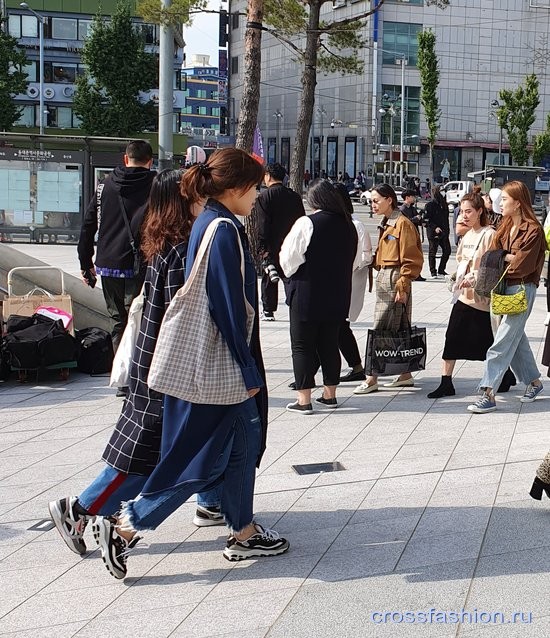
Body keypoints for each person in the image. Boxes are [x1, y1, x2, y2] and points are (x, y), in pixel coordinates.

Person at [92, 148, 289, 580]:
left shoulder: (208, 221)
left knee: (241, 446)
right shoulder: (222, 230)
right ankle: (128, 524)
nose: (258, 195)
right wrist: (249, 370)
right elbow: (226, 307)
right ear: (236, 188)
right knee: (201, 456)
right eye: (255, 187)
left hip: (220, 367)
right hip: (222, 369)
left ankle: (243, 531)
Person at [48, 170, 224, 556]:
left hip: (154, 359)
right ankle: (79, 509)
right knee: (140, 457)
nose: (207, 200)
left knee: (159, 449)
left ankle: (212, 502)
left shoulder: (165, 239)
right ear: (184, 200)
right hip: (165, 367)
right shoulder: (183, 249)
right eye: (199, 194)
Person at [78, 140, 155, 396]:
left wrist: (85, 263)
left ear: (125, 159)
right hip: (141, 263)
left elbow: (88, 225)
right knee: (143, 319)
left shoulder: (104, 186)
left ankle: (122, 379)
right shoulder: (155, 186)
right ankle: (140, 376)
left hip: (108, 264)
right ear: (150, 161)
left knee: (117, 321)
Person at [467, 180, 546, 414]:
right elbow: (492, 254)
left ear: (518, 203)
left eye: (505, 200)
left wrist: (505, 258)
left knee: (502, 340)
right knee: (515, 338)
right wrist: (506, 256)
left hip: (521, 289)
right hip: (501, 287)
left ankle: (488, 392)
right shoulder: (504, 225)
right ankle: (534, 382)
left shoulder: (533, 230)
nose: (500, 203)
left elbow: (522, 266)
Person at [280, 179, 358, 413]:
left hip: (307, 291)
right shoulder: (350, 225)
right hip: (338, 293)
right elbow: (352, 261)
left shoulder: (307, 223)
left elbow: (288, 259)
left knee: (302, 345)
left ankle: (304, 399)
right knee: (329, 343)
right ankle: (329, 395)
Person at [354, 184, 423, 395]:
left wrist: (403, 284)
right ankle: (405, 374)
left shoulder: (402, 224)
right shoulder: (388, 223)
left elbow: (411, 258)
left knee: (381, 327)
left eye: (376, 200)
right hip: (386, 275)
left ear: (389, 200)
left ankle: (371, 377)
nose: (373, 205)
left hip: (395, 278)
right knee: (399, 327)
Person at [427, 193, 496, 398]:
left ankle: (506, 374)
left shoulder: (489, 234)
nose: (464, 216)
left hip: (481, 297)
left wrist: (473, 278)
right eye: (462, 211)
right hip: (463, 296)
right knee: (453, 337)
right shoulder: (467, 235)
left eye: (469, 212)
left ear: (480, 211)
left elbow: (491, 265)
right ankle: (446, 382)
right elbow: (461, 261)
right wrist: (456, 277)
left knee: (489, 342)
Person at [255, 163, 306, 321]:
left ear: (268, 176)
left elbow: (262, 225)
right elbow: (302, 221)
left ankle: (269, 310)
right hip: (292, 243)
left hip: (272, 243)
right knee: (291, 275)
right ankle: (295, 305)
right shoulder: (295, 197)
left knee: (269, 276)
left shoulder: (264, 197)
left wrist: (262, 247)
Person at [424, 185, 451, 278]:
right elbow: (426, 220)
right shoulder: (430, 205)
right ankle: (433, 271)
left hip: (444, 232)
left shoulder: (444, 204)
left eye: (444, 190)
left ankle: (441, 270)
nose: (444, 192)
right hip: (434, 232)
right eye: (442, 191)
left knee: (447, 251)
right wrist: (434, 227)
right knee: (433, 252)